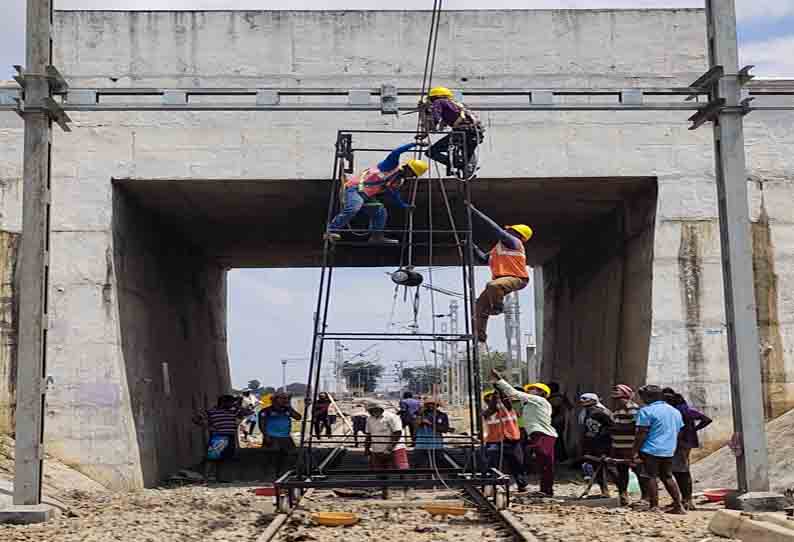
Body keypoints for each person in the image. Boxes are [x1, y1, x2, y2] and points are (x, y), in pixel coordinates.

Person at [325, 143, 428, 244]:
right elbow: (396, 152)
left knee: (380, 211)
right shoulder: (390, 166)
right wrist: (414, 144)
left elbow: (394, 194)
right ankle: (331, 230)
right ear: (407, 167)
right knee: (354, 207)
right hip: (354, 189)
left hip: (366, 197)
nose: (411, 176)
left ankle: (376, 237)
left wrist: (404, 205)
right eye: (411, 173)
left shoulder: (397, 181)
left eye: (413, 175)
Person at [467, 203, 533, 344]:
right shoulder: (498, 249)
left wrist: (474, 212)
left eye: (510, 231)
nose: (506, 232)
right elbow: (483, 259)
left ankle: (498, 307)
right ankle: (480, 337)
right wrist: (471, 246)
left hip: (517, 279)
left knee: (493, 285)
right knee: (479, 306)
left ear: (518, 235)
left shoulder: (514, 243)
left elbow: (494, 229)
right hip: (501, 281)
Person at [491, 369, 557, 497]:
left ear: (542, 393)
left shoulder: (540, 401)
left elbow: (515, 393)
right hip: (537, 435)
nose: (529, 391)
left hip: (544, 434)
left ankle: (547, 490)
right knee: (544, 465)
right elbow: (512, 401)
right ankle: (546, 490)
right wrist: (499, 388)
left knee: (542, 458)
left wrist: (500, 380)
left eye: (533, 389)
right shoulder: (529, 405)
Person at [632, 385, 685, 514]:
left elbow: (641, 433)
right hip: (668, 450)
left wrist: (634, 451)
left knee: (651, 476)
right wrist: (672, 446)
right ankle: (678, 506)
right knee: (667, 476)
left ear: (649, 397)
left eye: (642, 397)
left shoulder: (646, 411)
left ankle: (654, 506)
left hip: (650, 449)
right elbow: (679, 432)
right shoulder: (674, 411)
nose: (642, 399)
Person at [663, 388, 713, 510]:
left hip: (681, 443)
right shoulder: (684, 410)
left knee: (681, 471)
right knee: (679, 470)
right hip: (684, 443)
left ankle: (686, 500)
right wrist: (694, 430)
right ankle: (684, 499)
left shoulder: (680, 411)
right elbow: (706, 419)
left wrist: (693, 430)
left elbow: (707, 420)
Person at [421, 86, 484, 178]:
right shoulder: (456, 105)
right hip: (475, 134)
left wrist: (426, 114)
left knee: (431, 152)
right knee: (466, 158)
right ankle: (465, 167)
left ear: (434, 97)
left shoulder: (438, 102)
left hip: (462, 133)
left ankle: (458, 164)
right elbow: (441, 126)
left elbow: (435, 120)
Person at [610, 384, 648, 506]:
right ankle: (623, 495)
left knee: (639, 471)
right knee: (621, 471)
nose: (618, 400)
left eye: (620, 398)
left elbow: (636, 427)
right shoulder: (617, 410)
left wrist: (618, 428)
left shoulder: (633, 409)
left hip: (629, 446)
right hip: (618, 445)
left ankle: (645, 497)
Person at [483, 390, 526, 491]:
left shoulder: (509, 409)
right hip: (494, 440)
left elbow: (507, 402)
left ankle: (521, 484)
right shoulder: (487, 412)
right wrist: (495, 397)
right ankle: (493, 485)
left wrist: (500, 390)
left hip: (511, 439)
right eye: (491, 399)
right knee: (494, 464)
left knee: (517, 463)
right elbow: (491, 409)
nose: (496, 400)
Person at [258, 391, 302, 477]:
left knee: (291, 455)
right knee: (273, 457)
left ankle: (285, 474)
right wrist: (266, 436)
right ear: (275, 400)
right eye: (283, 398)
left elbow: (298, 417)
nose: (286, 400)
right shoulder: (266, 411)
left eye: (287, 399)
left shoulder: (287, 410)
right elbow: (261, 424)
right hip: (272, 437)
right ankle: (271, 475)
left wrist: (290, 408)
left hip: (286, 438)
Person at [578, 393, 614, 497]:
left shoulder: (602, 413)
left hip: (604, 444)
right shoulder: (585, 414)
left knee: (611, 468)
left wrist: (604, 441)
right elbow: (585, 429)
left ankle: (622, 491)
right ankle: (604, 491)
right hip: (593, 444)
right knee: (596, 467)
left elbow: (611, 427)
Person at [364, 401, 409, 470]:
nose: (371, 412)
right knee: (379, 472)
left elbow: (397, 432)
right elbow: (369, 434)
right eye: (370, 411)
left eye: (373, 410)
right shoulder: (369, 419)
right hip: (377, 450)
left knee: (400, 470)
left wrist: (389, 449)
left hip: (395, 449)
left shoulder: (392, 417)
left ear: (380, 409)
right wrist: (366, 449)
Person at [413, 399, 451, 468]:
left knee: (438, 465)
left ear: (437, 405)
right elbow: (415, 426)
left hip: (436, 444)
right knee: (420, 466)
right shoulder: (420, 414)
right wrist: (419, 416)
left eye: (433, 404)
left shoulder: (442, 415)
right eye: (428, 404)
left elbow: (444, 429)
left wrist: (430, 424)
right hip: (421, 444)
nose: (430, 406)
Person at [547, 382, 572, 463]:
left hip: (555, 421)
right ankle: (561, 457)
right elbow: (570, 407)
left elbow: (555, 409)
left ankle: (560, 457)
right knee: (558, 439)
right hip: (561, 421)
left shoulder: (554, 398)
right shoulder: (561, 397)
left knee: (556, 440)